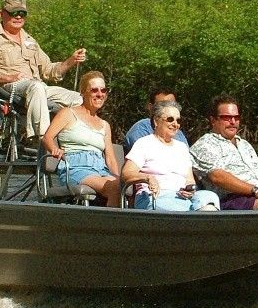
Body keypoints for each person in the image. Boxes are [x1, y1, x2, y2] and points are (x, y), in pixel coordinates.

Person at [0, 0, 86, 141]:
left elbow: (48, 70)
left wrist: (71, 60)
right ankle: (42, 138)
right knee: (36, 87)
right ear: (1, 14)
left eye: (22, 14)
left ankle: (75, 140)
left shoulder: (30, 41)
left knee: (79, 99)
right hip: (8, 86)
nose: (18, 17)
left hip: (37, 87)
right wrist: (7, 77)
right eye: (14, 13)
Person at [122, 100, 219, 211]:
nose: (175, 124)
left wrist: (190, 190)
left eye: (178, 120)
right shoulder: (144, 143)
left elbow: (190, 180)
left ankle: (197, 216)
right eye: (170, 119)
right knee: (191, 208)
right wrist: (147, 178)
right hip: (155, 196)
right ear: (156, 121)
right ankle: (196, 216)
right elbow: (126, 173)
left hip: (182, 197)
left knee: (210, 197)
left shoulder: (182, 148)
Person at [43, 71, 121, 207]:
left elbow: (110, 158)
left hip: (100, 169)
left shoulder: (105, 125)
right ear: (83, 92)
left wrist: (118, 177)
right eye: (94, 90)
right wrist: (54, 149)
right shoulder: (68, 113)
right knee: (114, 188)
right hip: (76, 168)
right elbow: (47, 137)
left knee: (126, 187)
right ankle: (110, 226)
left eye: (103, 90)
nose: (100, 94)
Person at [123, 87, 189, 155]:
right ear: (150, 107)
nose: (169, 109)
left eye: (173, 105)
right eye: (163, 105)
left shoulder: (178, 134)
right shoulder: (140, 131)